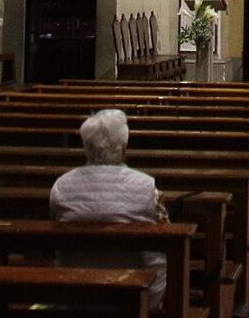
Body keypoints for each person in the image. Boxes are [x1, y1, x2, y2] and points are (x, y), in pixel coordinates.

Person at [51, 110, 167, 310]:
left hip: (76, 294)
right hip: (139, 296)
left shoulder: (61, 187)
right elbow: (167, 238)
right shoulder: (148, 189)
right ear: (124, 149)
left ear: (86, 148)